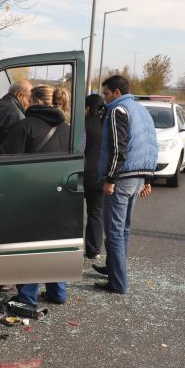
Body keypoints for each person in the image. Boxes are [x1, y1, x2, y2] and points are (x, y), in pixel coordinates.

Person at [2, 85, 70, 306]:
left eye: (30, 100)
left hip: (30, 195)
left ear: (39, 102)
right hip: (61, 194)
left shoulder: (25, 126)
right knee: (56, 245)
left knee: (30, 245)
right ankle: (58, 293)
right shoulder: (68, 129)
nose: (27, 104)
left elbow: (8, 162)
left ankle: (28, 296)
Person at [94, 75, 157, 294]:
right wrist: (148, 178)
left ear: (117, 92)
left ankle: (118, 282)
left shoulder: (117, 110)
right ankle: (114, 270)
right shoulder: (143, 111)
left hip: (121, 178)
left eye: (106, 93)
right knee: (124, 228)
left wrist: (110, 179)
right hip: (138, 177)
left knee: (114, 231)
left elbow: (118, 148)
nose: (105, 98)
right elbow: (149, 144)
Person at [83, 94, 105, 265]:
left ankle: (71, 247)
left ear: (88, 108)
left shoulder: (84, 124)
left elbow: (80, 148)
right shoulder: (107, 124)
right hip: (101, 175)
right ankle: (94, 250)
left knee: (73, 212)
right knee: (96, 213)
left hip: (82, 174)